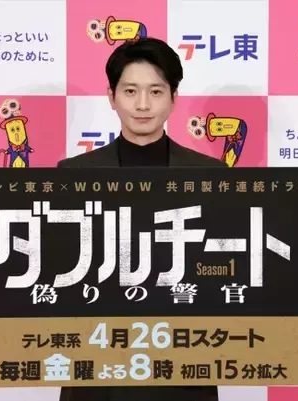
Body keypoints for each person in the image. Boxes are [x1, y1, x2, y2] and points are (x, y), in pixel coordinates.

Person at [57, 37, 225, 401]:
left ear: (174, 98)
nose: (143, 104)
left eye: (156, 91)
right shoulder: (73, 174)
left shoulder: (210, 175)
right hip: (97, 358)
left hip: (184, 358)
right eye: (130, 91)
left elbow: (225, 268)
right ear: (112, 97)